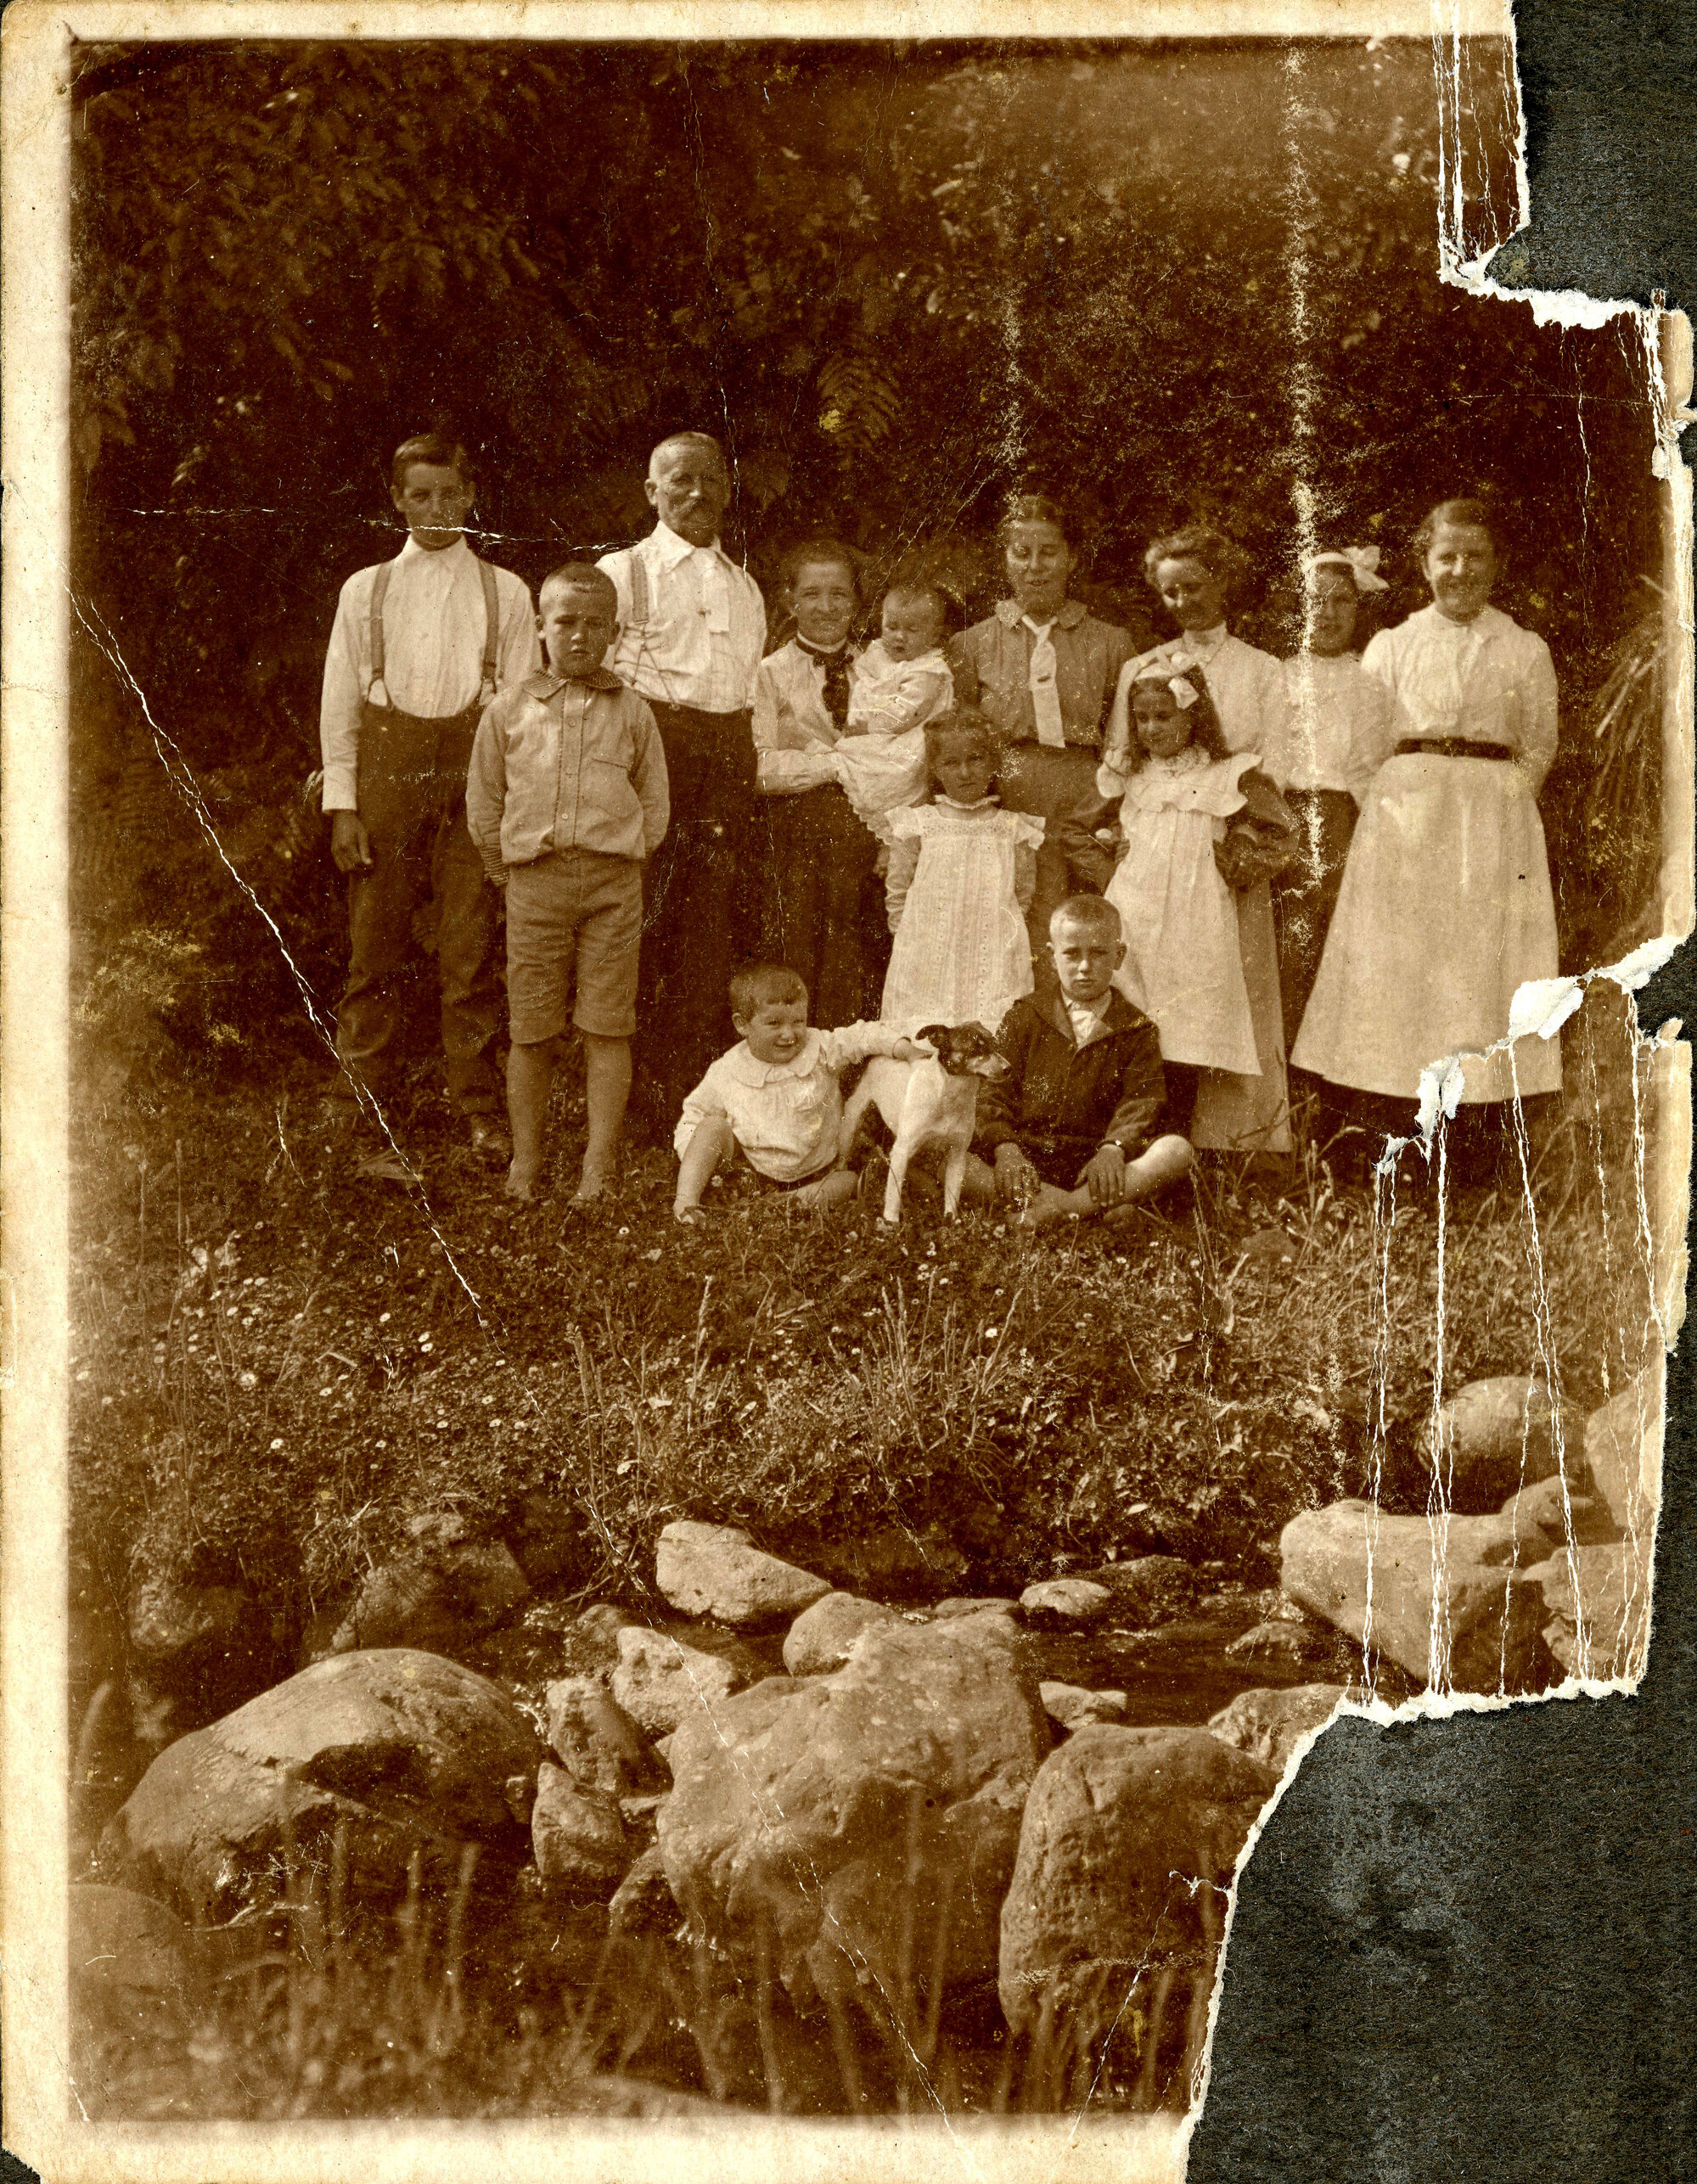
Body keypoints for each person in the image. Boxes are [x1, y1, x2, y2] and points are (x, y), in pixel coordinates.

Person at [1292, 499, 1561, 1112]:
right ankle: (1385, 1109)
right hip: (1404, 825)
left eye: (1475, 556)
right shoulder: (1391, 646)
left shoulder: (1523, 648)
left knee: (1477, 963)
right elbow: (1363, 755)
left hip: (1492, 821)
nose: (1460, 569)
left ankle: (1479, 1118)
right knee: (1402, 961)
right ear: (1423, 564)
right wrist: (1395, 817)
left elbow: (1538, 747)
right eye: (1446, 556)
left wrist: (1499, 808)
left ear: (1497, 565)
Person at [317, 431, 541, 1155]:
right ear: (397, 499)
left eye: (451, 493)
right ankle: (365, 1109)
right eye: (421, 495)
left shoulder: (504, 590)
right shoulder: (366, 588)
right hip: (388, 775)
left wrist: (513, 806)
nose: (437, 508)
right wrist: (344, 805)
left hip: (474, 780)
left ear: (471, 496)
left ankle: (476, 1104)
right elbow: (339, 706)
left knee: (469, 948)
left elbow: (523, 706)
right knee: (373, 945)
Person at [464, 564, 669, 1205]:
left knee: (608, 1025)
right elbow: (484, 803)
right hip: (534, 884)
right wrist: (507, 874)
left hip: (612, 884)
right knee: (532, 1028)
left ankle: (596, 1165)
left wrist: (623, 862)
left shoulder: (633, 709)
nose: (579, 637)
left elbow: (654, 805)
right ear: (541, 628)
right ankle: (526, 1161)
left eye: (594, 625)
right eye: (565, 622)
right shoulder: (508, 709)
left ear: (614, 631)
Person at [597, 433, 767, 1132]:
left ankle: (690, 1093)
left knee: (709, 922)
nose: (696, 494)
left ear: (727, 491)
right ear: (652, 492)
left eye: (710, 481)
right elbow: (594, 682)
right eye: (680, 480)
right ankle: (629, 1098)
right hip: (652, 750)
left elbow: (745, 692)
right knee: (642, 921)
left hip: (724, 756)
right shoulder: (622, 572)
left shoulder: (743, 583)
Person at [1093, 661, 1296, 1152]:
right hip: (1137, 914)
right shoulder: (1132, 779)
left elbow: (1282, 834)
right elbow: (1084, 833)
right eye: (1141, 718)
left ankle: (1178, 1155)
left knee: (1185, 1030)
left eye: (1164, 716)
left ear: (1192, 716)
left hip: (1197, 919)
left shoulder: (1230, 774)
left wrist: (1237, 858)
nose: (1151, 729)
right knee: (1135, 1023)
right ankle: (1131, 1154)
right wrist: (1111, 856)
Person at [952, 494, 1134, 969]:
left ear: (1071, 558)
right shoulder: (971, 644)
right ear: (1005, 558)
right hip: (1008, 795)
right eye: (1021, 553)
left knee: (1084, 930)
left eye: (1049, 553)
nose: (1035, 567)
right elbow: (958, 744)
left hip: (1086, 799)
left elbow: (1124, 740)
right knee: (1015, 927)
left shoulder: (1112, 642)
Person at [966, 897, 1194, 1229]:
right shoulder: (1025, 1014)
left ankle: (1058, 1209)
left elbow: (1142, 1100)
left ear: (1119, 956)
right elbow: (992, 1090)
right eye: (1072, 954)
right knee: (944, 1155)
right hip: (1025, 1158)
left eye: (1099, 953)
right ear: (1050, 956)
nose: (1085, 967)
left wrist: (1114, 1149)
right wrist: (1006, 1150)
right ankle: (1082, 1212)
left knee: (1176, 1150)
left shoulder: (1136, 1028)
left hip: (1095, 1165)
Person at [671, 963, 929, 1223]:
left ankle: (789, 1203)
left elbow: (862, 1036)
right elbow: (692, 1116)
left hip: (817, 1172)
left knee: (847, 1181)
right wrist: (699, 1159)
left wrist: (903, 1049)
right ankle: (686, 1202)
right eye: (774, 1023)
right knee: (711, 1126)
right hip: (752, 1169)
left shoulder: (818, 1048)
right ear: (742, 1025)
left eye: (799, 1021)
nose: (789, 1033)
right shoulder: (728, 1070)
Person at [1272, 547, 1403, 1047]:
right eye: (1315, 601)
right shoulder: (1278, 675)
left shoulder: (1372, 682)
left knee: (1342, 950)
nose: (1326, 614)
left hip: (1347, 821)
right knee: (1289, 949)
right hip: (1284, 820)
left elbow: (1376, 769)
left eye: (1341, 602)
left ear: (1357, 609)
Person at [750, 538, 884, 1028]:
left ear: (856, 601)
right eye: (811, 594)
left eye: (839, 594)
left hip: (865, 827)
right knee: (797, 941)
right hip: (797, 829)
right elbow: (760, 766)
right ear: (790, 600)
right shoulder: (771, 671)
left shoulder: (881, 667)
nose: (826, 607)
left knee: (856, 944)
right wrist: (837, 764)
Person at [879, 710, 1045, 1037]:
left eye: (975, 759)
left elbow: (1023, 893)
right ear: (936, 769)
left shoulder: (1012, 828)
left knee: (992, 1028)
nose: (965, 772)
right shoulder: (919, 824)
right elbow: (897, 890)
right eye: (952, 763)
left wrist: (999, 936)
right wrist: (909, 939)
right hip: (927, 949)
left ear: (992, 762)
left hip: (993, 948)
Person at [1125, 525, 1287, 758]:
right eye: (1171, 593)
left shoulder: (1263, 669)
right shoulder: (1140, 668)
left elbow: (1275, 762)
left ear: (1221, 582)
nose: (1182, 602)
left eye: (1192, 588)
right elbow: (1123, 755)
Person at [832, 581, 956, 842]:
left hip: (908, 738)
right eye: (892, 626)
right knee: (851, 763)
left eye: (912, 630)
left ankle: (891, 839)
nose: (899, 636)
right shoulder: (880, 652)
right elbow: (862, 676)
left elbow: (904, 714)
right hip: (878, 730)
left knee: (893, 779)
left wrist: (866, 723)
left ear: (934, 636)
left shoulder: (928, 670)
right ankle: (878, 832)